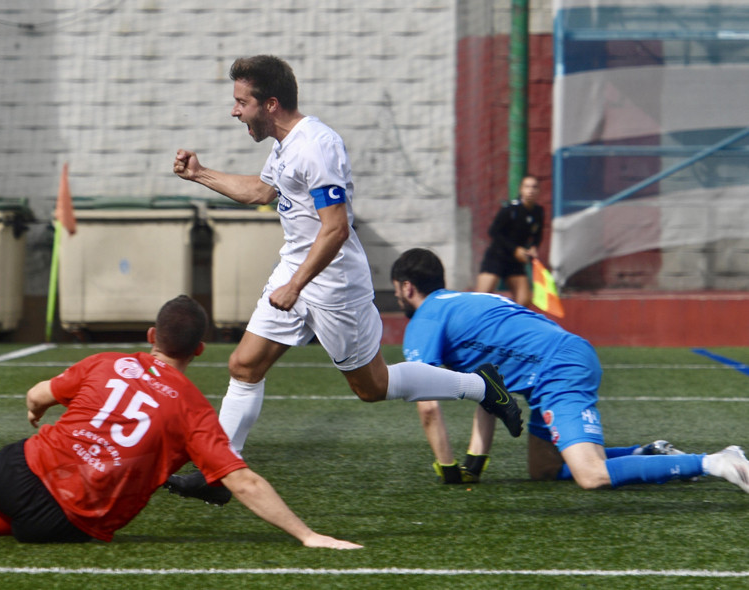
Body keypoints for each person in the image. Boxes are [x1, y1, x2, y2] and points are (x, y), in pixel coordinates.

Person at [169, 55, 522, 503]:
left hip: (333, 282)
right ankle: (219, 473)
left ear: (271, 104)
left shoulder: (317, 145)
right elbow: (261, 192)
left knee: (372, 387)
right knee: (244, 365)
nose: (234, 111)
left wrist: (296, 285)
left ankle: (481, 385)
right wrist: (199, 173)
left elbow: (335, 228)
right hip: (295, 272)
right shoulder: (284, 144)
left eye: (241, 102)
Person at [0, 296, 362, 549]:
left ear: (150, 335)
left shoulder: (106, 362)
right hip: (71, 522)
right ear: (199, 350)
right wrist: (306, 534)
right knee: (22, 521)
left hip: (24, 469)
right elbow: (242, 481)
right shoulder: (193, 410)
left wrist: (36, 412)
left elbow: (37, 394)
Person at [390, 248, 749, 492]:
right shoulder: (464, 302)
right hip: (558, 361)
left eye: (396, 290)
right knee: (543, 469)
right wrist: (475, 462)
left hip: (558, 367)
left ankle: (716, 462)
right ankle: (646, 453)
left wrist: (449, 471)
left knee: (590, 475)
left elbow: (428, 407)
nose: (397, 296)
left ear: (407, 287)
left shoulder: (425, 321)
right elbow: (487, 390)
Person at [475, 175, 544, 307]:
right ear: (521, 189)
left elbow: (538, 234)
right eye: (527, 187)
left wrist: (534, 247)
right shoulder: (510, 210)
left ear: (539, 191)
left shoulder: (538, 212)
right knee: (481, 298)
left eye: (534, 187)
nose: (531, 190)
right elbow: (494, 232)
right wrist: (515, 249)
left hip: (515, 261)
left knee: (524, 300)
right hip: (497, 256)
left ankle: (512, 325)